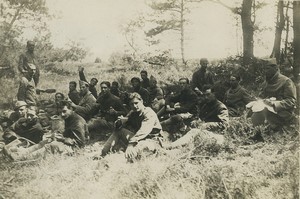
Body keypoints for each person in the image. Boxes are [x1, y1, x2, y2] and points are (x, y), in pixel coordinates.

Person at [100, 93, 162, 160]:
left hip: (152, 140)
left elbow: (144, 130)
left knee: (133, 153)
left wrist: (131, 144)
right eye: (132, 104)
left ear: (141, 101)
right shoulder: (133, 112)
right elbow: (119, 126)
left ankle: (120, 162)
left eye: (136, 103)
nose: (134, 106)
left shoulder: (148, 112)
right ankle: (103, 153)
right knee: (119, 131)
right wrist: (119, 122)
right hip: (139, 139)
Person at [162, 87, 229, 149]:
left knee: (194, 132)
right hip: (205, 132)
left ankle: (170, 146)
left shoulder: (220, 107)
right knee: (186, 128)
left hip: (217, 135)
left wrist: (207, 125)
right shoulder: (206, 105)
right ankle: (174, 144)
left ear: (214, 94)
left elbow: (224, 124)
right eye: (205, 95)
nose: (206, 97)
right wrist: (196, 121)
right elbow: (201, 117)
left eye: (208, 95)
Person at [248, 58, 297, 130]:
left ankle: (261, 131)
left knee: (259, 114)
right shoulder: (266, 82)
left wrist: (274, 104)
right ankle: (258, 130)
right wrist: (257, 101)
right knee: (252, 111)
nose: (265, 71)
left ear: (275, 68)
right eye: (264, 69)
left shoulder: (286, 81)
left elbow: (291, 101)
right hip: (268, 110)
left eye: (267, 69)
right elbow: (261, 97)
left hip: (283, 113)